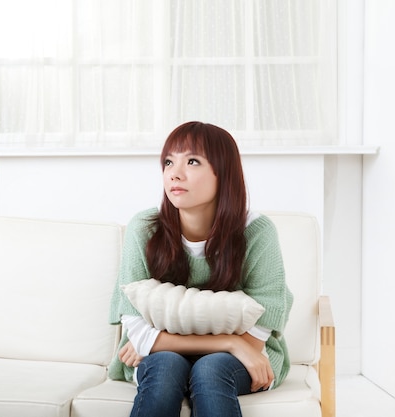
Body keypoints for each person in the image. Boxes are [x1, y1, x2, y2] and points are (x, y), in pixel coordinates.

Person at [108, 121, 293, 417]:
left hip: (243, 356)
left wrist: (161, 340)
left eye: (192, 161)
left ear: (224, 173)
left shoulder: (257, 233)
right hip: (170, 356)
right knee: (167, 366)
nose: (174, 173)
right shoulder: (144, 228)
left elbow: (258, 330)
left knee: (210, 369)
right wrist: (230, 341)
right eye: (169, 162)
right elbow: (137, 329)